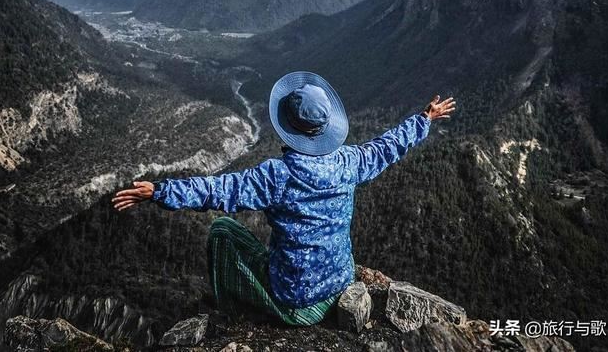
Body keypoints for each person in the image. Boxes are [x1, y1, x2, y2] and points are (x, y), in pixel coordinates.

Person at [112, 71, 455, 326]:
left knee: (222, 232)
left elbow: (219, 191)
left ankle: (229, 311)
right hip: (340, 283)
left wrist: (159, 191)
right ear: (325, 128)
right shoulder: (349, 162)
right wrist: (424, 119)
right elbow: (385, 148)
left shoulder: (278, 175)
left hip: (297, 302)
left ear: (287, 126)